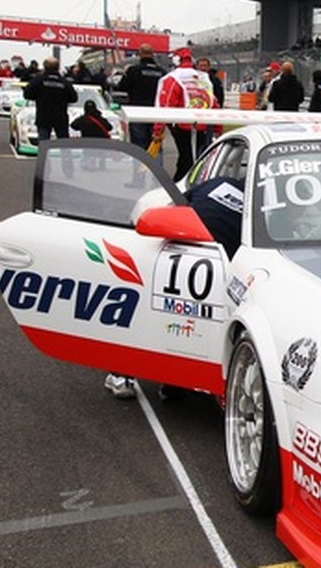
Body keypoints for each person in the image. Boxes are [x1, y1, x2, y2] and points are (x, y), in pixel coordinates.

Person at [105, 174, 245, 400]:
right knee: (191, 324)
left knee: (145, 311)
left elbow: (173, 207)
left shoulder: (217, 183)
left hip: (179, 256)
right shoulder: (264, 208)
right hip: (219, 270)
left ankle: (124, 375)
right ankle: (176, 382)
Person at [150, 47, 218, 181]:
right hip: (203, 124)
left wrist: (158, 130)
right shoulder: (204, 77)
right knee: (194, 158)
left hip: (182, 125)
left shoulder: (171, 78)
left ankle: (178, 187)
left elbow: (165, 105)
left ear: (176, 60)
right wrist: (217, 128)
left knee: (187, 160)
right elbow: (213, 102)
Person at [116, 43, 166, 152]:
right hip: (156, 112)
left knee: (138, 147)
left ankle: (140, 168)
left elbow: (121, 87)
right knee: (155, 143)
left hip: (137, 111)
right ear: (153, 54)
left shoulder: (133, 70)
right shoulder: (162, 72)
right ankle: (155, 167)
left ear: (140, 54)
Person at [23, 57, 78, 141]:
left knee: (43, 144)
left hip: (43, 116)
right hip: (60, 117)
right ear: (58, 67)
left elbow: (27, 94)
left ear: (45, 67)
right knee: (64, 144)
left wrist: (39, 97)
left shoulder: (38, 81)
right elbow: (74, 98)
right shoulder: (65, 82)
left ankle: (44, 153)